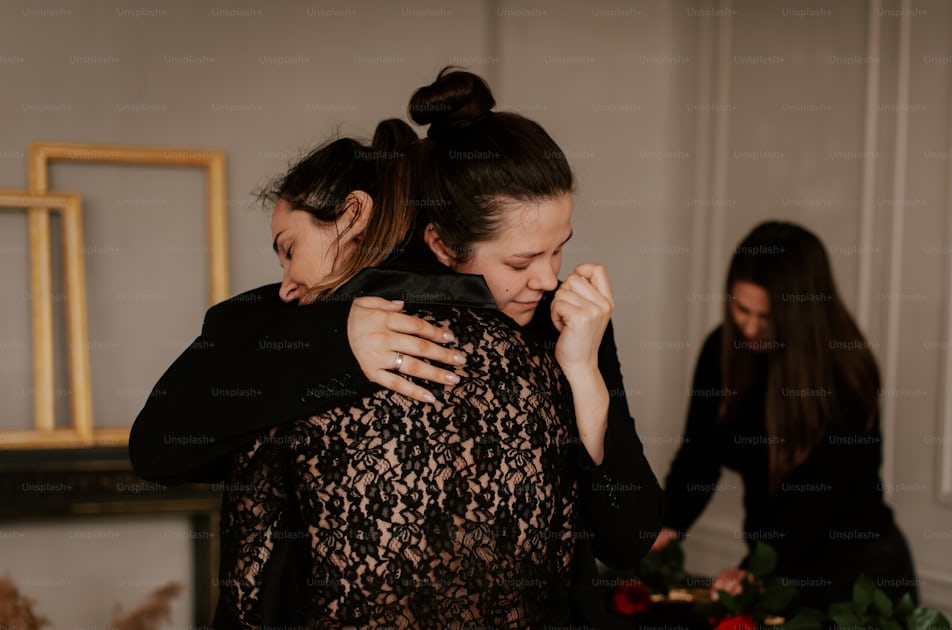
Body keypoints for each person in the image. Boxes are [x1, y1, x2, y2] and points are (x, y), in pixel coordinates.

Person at [129, 69, 662, 627]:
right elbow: (159, 450)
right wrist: (336, 342)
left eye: (559, 250)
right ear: (443, 245)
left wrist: (584, 375)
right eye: (521, 262)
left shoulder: (569, 323)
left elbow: (627, 539)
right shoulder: (297, 314)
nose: (548, 279)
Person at [651, 221, 918, 611]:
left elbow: (819, 501)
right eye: (741, 309)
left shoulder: (845, 371)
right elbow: (699, 456)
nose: (749, 327)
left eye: (767, 316)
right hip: (778, 567)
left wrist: (754, 571)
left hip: (856, 573)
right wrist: (666, 527)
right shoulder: (722, 351)